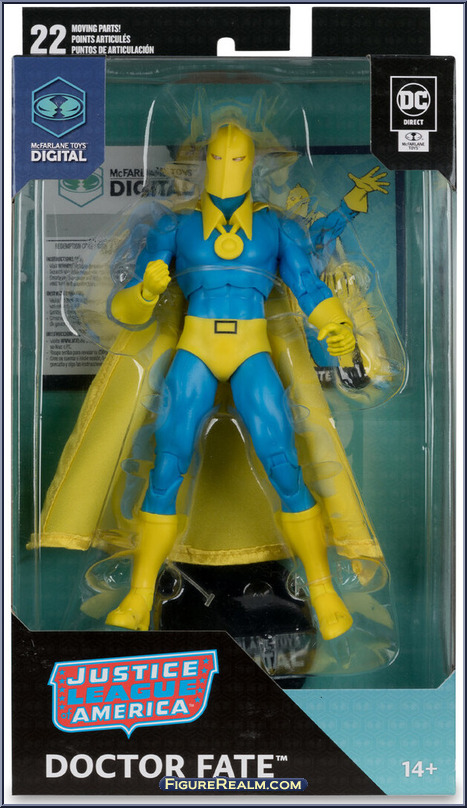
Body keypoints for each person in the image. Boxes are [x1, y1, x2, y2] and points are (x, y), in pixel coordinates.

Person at [106, 123, 384, 639]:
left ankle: (323, 591)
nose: (227, 166)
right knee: (167, 463)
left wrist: (335, 324)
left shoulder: (277, 228)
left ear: (252, 164)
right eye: (218, 157)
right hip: (196, 347)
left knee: (283, 462)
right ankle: (140, 593)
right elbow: (125, 311)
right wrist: (145, 292)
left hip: (252, 348)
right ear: (205, 163)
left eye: (237, 159)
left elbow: (307, 286)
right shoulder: (175, 227)